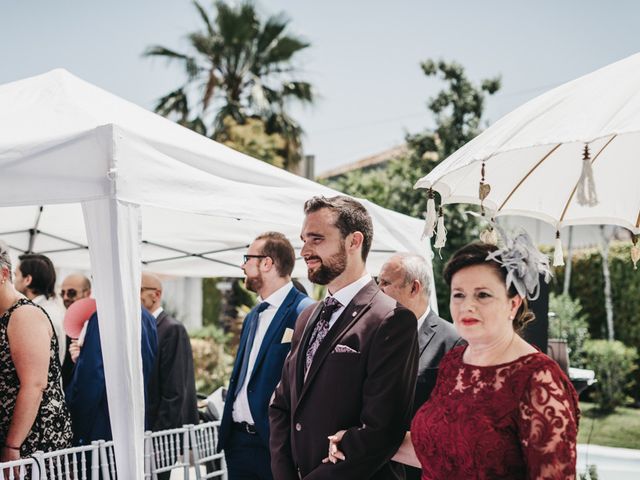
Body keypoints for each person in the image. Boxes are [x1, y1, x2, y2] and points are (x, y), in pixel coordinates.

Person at [327, 234, 580, 479]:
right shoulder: (455, 363)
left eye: (483, 295)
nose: (467, 305)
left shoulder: (540, 381)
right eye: (459, 294)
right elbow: (437, 451)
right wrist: (354, 442)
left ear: (513, 304)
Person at [269, 196, 418, 480]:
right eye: (304, 239)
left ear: (354, 241)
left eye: (316, 239)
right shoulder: (307, 316)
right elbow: (281, 405)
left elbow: (381, 431)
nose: (304, 251)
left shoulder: (392, 320)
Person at [219, 232, 313, 480]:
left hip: (275, 445)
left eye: (247, 258)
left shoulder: (305, 312)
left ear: (267, 263)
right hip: (238, 443)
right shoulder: (252, 316)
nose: (242, 265)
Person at [378, 252, 463, 480]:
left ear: (414, 288)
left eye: (385, 283)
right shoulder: (376, 336)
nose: (378, 291)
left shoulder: (453, 342)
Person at [0, 241, 72, 462]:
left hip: (32, 441)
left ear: (3, 273)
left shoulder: (24, 314)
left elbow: (34, 385)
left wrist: (12, 445)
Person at [65, 298, 158, 445]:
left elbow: (91, 379)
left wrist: (77, 426)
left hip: (102, 423)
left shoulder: (103, 317)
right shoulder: (148, 318)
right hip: (134, 418)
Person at [140, 272, 198, 439]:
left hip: (160, 433)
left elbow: (175, 390)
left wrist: (159, 436)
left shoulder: (172, 329)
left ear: (156, 294)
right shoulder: (140, 328)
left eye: (138, 290)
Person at [13, 253, 66, 365]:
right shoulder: (50, 308)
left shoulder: (38, 314)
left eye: (16, 275)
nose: (13, 281)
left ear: (27, 279)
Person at [59, 274, 92, 388]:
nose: (65, 297)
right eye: (62, 293)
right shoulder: (61, 320)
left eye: (71, 292)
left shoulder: (96, 324)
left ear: (87, 293)